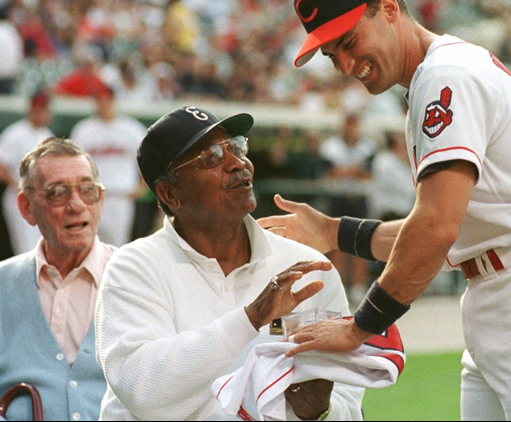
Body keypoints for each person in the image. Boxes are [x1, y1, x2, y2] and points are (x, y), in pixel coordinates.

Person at [258, 0, 511, 420]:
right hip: (507, 293)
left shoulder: (443, 74)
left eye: (348, 41)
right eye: (331, 54)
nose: (343, 64)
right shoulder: (436, 74)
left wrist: (360, 326)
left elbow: (436, 229)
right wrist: (333, 232)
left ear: (389, 9)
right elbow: (436, 225)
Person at [95, 106, 367, 420]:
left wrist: (320, 413)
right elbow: (143, 392)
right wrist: (250, 319)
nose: (238, 163)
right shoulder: (134, 268)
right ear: (170, 194)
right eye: (210, 156)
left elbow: (349, 404)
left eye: (235, 146)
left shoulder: (308, 270)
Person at [0, 137, 111, 421]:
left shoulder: (135, 278)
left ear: (100, 200)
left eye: (87, 190)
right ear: (26, 208)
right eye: (58, 192)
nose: (76, 204)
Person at [70, 86, 147, 246]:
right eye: (98, 100)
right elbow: (72, 164)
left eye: (106, 100)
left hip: (120, 196)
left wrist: (142, 187)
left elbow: (149, 160)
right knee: (85, 245)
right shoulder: (83, 129)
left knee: (116, 247)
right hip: (90, 197)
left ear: (113, 101)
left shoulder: (131, 128)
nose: (102, 104)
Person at [0, 92, 54, 255]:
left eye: (43, 109)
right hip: (21, 199)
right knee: (27, 251)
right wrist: (17, 185)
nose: (40, 113)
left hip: (43, 200)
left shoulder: (48, 134)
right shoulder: (16, 132)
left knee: (44, 249)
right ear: (30, 110)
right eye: (37, 109)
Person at [319, 113, 375, 305]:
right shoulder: (330, 146)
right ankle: (339, 286)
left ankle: (359, 288)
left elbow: (367, 174)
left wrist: (345, 171)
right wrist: (354, 171)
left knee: (362, 245)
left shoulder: (368, 146)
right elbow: (331, 173)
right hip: (338, 198)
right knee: (337, 245)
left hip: (359, 198)